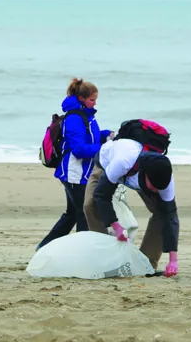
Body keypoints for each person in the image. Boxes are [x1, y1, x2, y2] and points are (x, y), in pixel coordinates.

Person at [84, 137, 180, 277]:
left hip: (138, 177)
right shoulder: (122, 163)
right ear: (145, 175)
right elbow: (101, 196)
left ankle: (145, 265)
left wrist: (173, 260)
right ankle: (103, 259)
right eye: (154, 187)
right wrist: (116, 227)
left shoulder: (165, 179)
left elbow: (170, 215)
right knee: (90, 204)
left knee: (161, 212)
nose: (156, 191)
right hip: (106, 164)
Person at [37, 78, 112, 249]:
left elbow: (89, 136)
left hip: (81, 172)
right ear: (81, 98)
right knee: (83, 212)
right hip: (74, 173)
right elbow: (78, 149)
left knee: (72, 214)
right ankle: (83, 250)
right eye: (92, 100)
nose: (94, 103)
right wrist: (104, 148)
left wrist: (106, 134)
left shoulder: (86, 115)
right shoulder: (74, 118)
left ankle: (45, 247)